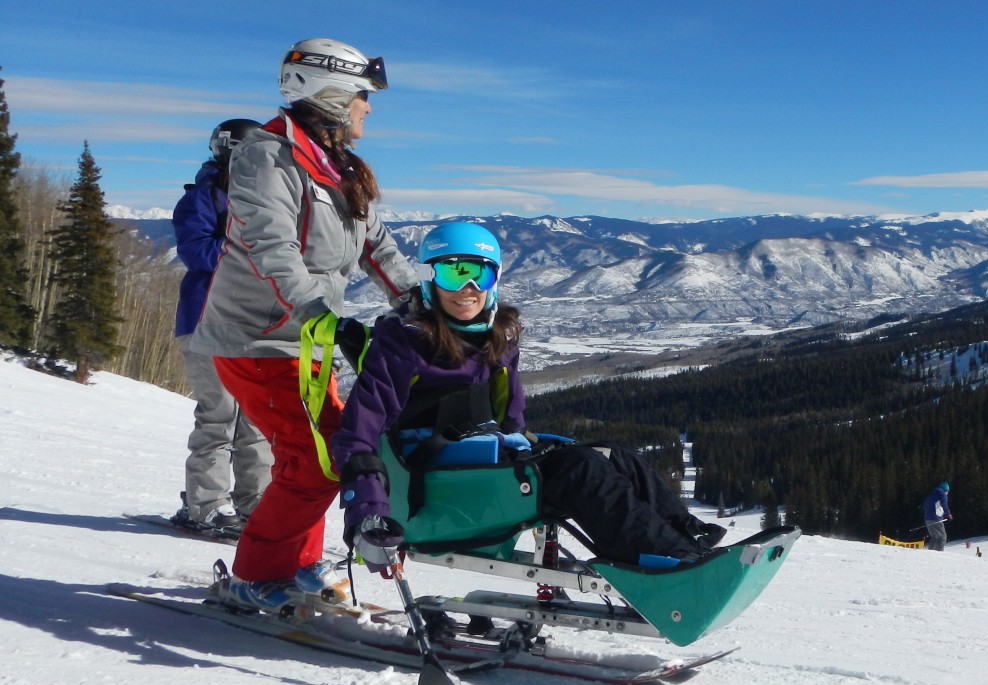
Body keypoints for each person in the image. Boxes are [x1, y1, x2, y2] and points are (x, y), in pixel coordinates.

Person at [329, 222, 726, 572]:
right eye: (453, 274)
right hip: (435, 487)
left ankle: (688, 540)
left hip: (481, 461)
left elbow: (512, 418)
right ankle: (668, 563)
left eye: (479, 275)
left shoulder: (497, 338)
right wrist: (367, 514)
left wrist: (527, 449)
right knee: (580, 472)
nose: (468, 289)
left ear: (495, 280)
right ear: (429, 279)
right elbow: (359, 434)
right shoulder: (404, 344)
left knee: (612, 455)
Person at [189, 38, 417, 610]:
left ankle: (299, 564)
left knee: (322, 454)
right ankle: (255, 576)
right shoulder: (267, 157)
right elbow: (272, 248)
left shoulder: (337, 165)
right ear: (331, 94)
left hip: (305, 344)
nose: (368, 108)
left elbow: (377, 244)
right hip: (257, 340)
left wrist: (419, 304)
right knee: (317, 462)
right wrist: (321, 315)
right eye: (362, 95)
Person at [170, 119, 272, 536]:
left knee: (257, 421)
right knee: (219, 416)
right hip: (206, 322)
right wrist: (253, 248)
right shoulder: (202, 199)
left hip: (254, 325)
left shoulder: (268, 201)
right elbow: (197, 253)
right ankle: (208, 505)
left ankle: (257, 506)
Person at [922, 481, 952, 551]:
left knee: (934, 537)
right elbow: (944, 504)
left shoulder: (931, 494)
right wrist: (948, 514)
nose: (947, 493)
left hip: (927, 519)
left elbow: (925, 506)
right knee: (942, 537)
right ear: (945, 490)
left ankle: (930, 552)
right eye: (947, 491)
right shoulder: (942, 494)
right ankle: (938, 553)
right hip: (936, 519)